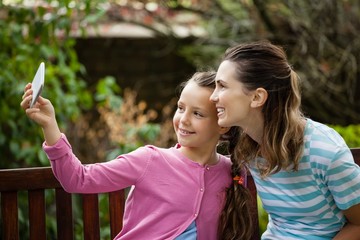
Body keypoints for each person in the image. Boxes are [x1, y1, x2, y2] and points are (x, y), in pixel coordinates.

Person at [21, 71, 253, 240]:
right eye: (181, 108)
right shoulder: (149, 160)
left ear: (223, 124)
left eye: (198, 114)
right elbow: (77, 179)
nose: (183, 120)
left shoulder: (232, 172)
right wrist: (50, 125)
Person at [210, 41, 360, 239]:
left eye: (222, 86)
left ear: (256, 98)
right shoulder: (246, 144)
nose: (213, 97)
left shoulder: (325, 152)